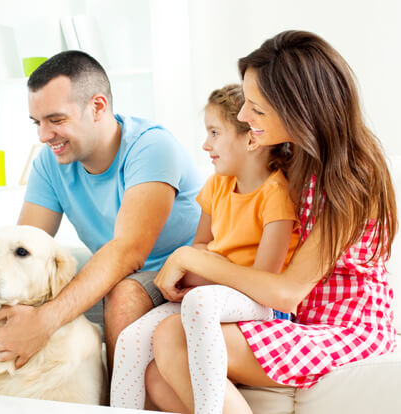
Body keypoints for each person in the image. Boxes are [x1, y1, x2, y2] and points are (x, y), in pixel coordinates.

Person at [142, 30, 399, 414]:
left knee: (173, 337)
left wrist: (193, 258)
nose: (244, 117)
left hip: (343, 328)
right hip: (292, 320)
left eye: (257, 109)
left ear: (299, 109)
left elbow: (287, 292)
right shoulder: (291, 157)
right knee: (156, 379)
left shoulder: (351, 177)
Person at [0, 50, 204, 392]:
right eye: (37, 122)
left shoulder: (152, 147)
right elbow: (25, 245)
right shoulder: (49, 162)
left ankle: (118, 408)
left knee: (124, 297)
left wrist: (43, 321)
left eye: (55, 120)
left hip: (178, 281)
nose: (44, 135)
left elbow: (128, 252)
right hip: (114, 279)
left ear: (98, 107)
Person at [111, 84, 297, 412]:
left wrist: (203, 272)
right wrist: (200, 270)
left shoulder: (276, 196)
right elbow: (200, 244)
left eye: (214, 133)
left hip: (261, 304)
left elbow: (264, 280)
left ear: (251, 140)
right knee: (130, 340)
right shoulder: (216, 185)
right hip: (213, 293)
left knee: (199, 301)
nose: (205, 144)